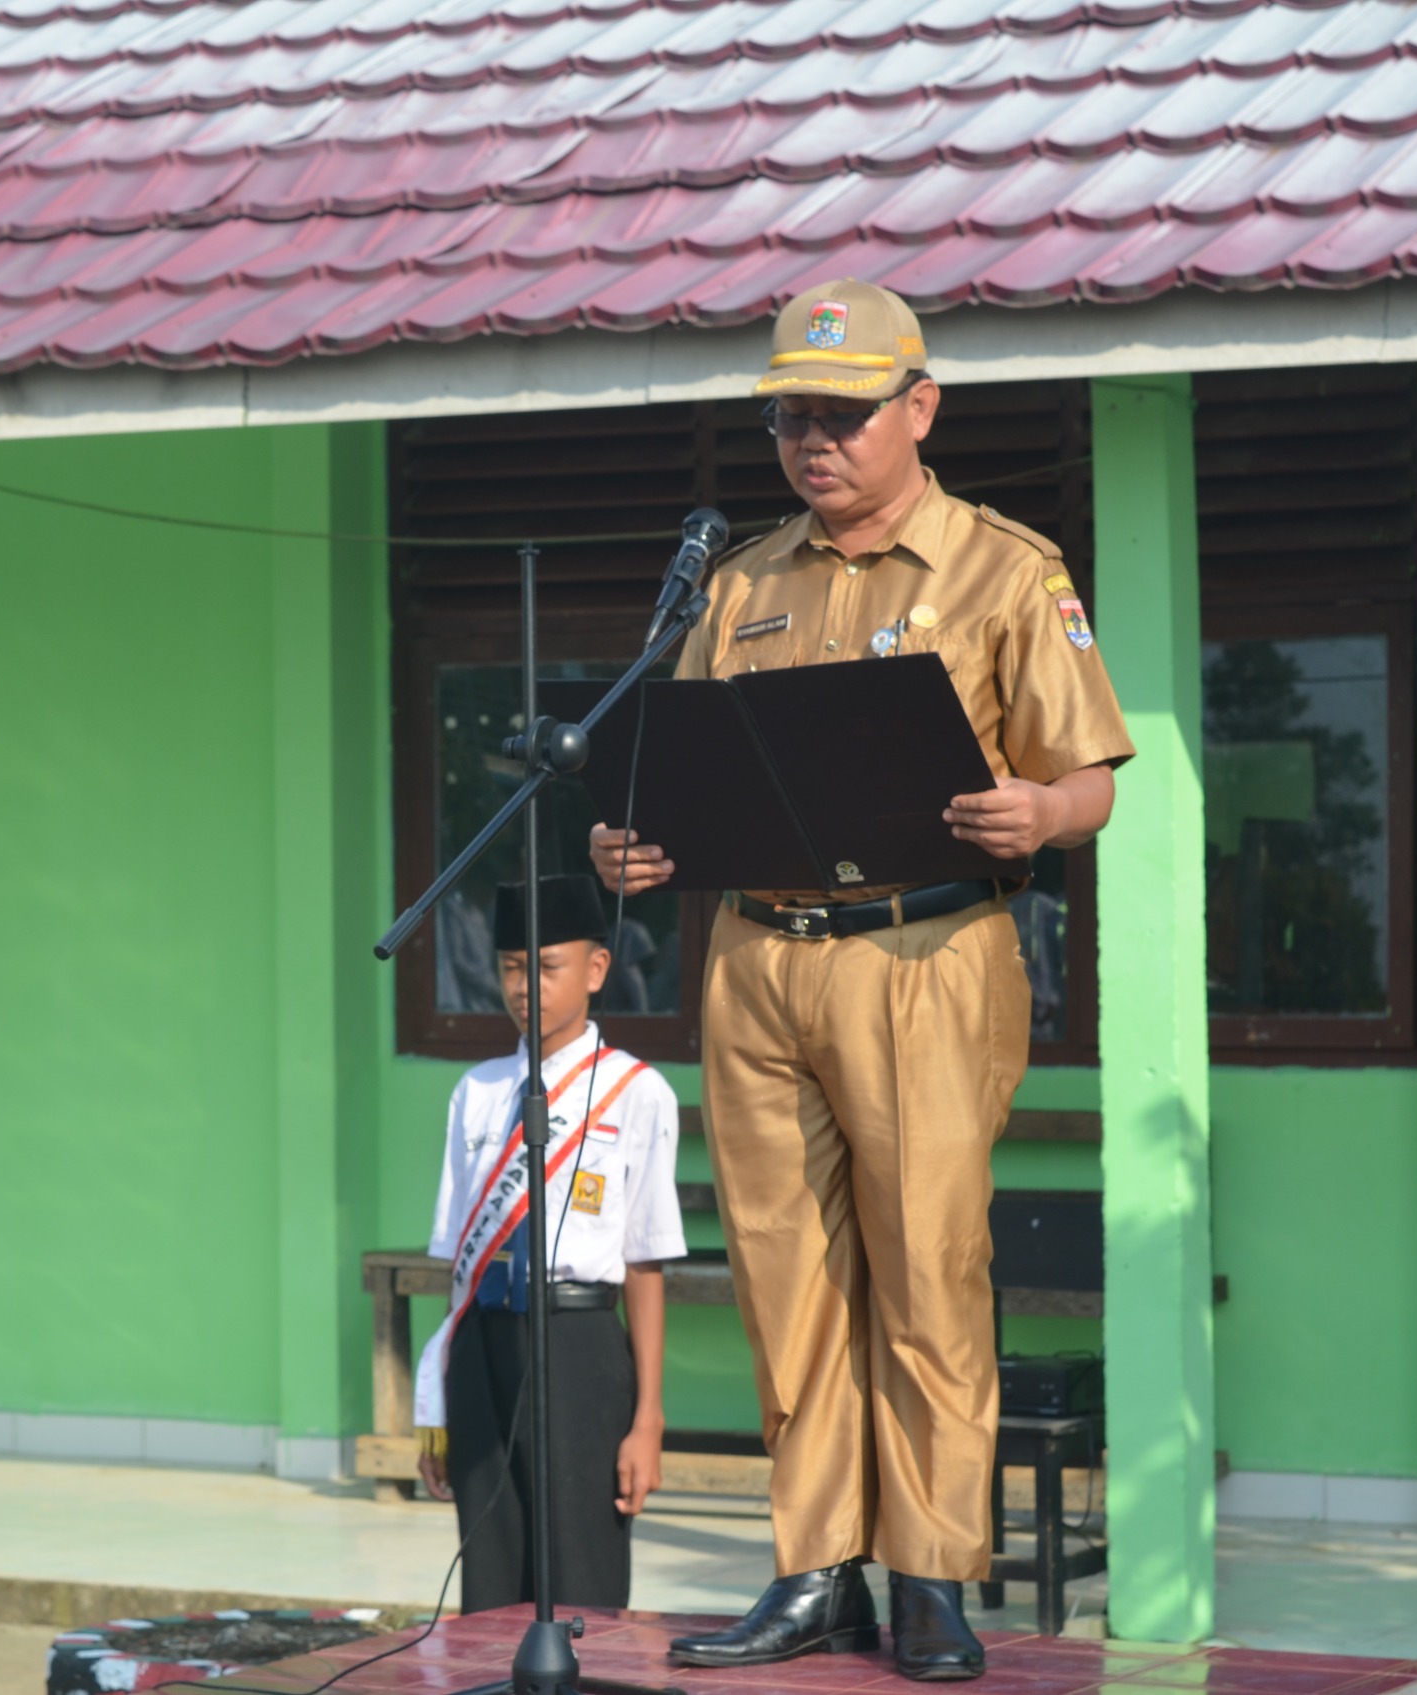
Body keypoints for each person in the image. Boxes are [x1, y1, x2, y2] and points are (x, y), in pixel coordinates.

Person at [589, 280, 1132, 1682]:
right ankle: (816, 1567)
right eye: (786, 417)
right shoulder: (742, 578)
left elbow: (1088, 775)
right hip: (757, 956)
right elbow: (686, 761)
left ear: (919, 406)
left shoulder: (1008, 566)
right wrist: (637, 839)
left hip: (927, 951)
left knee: (926, 1268)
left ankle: (933, 1573)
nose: (810, 442)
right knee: (785, 1274)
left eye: (838, 413)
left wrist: (1048, 815)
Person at [413, 875, 687, 1614]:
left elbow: (645, 1259)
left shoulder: (636, 1091)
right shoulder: (477, 1089)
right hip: (484, 1347)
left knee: (582, 1579)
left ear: (597, 969)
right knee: (490, 1575)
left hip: (579, 1346)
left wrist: (648, 1418)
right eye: (509, 966)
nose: (523, 985)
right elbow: (459, 1267)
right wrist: (439, 1402)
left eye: (546, 965)